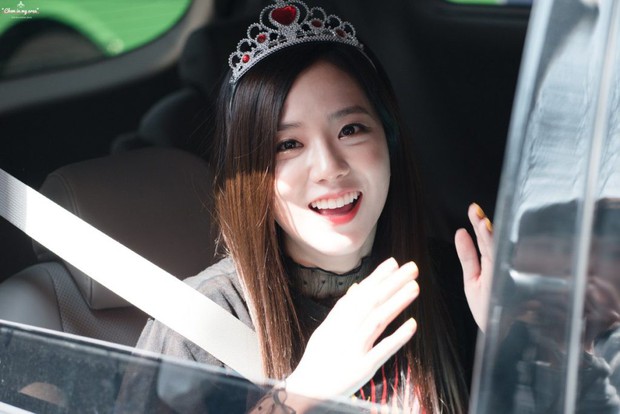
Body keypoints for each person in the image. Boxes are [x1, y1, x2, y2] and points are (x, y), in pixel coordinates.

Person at [132, 1, 493, 412]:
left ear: (389, 140)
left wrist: (517, 346)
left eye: (350, 129)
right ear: (249, 173)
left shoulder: (453, 285)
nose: (329, 167)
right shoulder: (200, 323)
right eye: (288, 144)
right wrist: (302, 392)